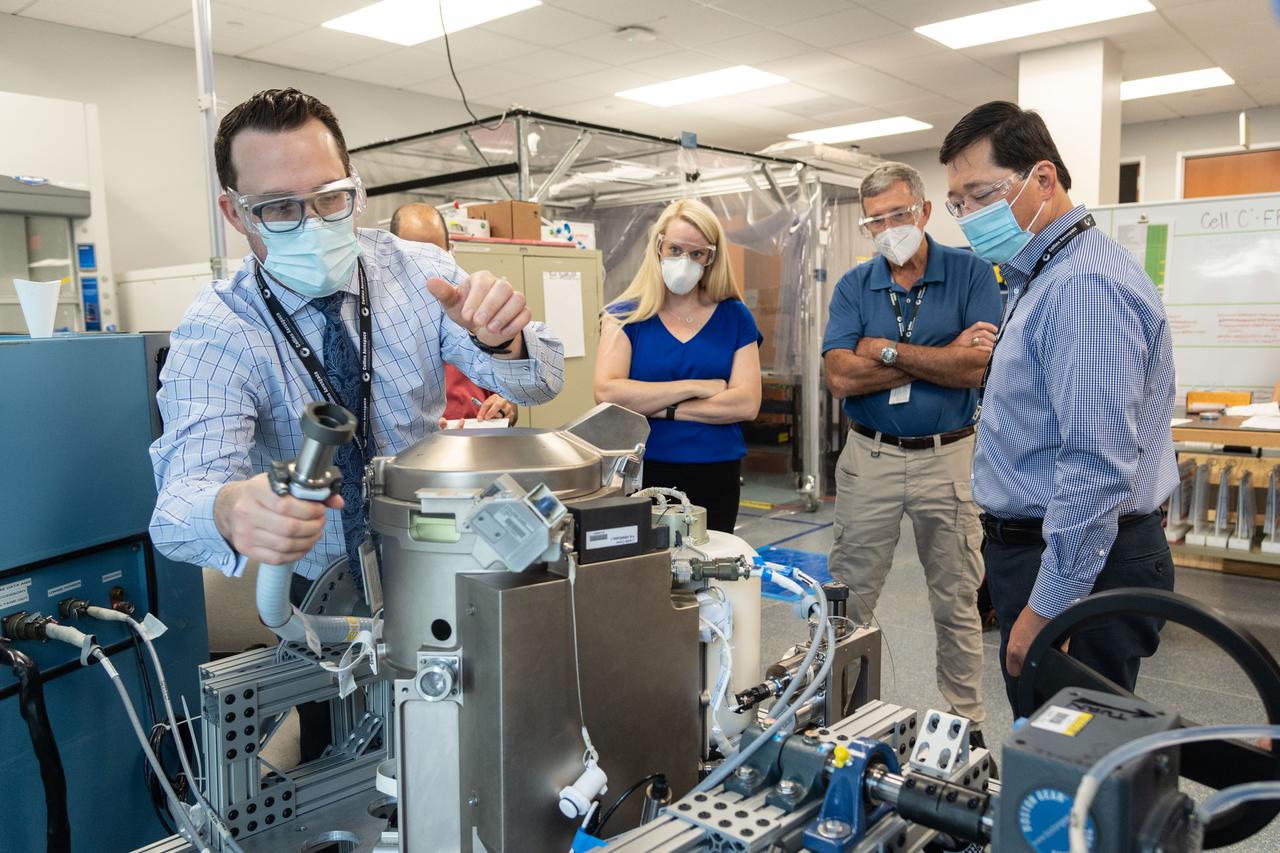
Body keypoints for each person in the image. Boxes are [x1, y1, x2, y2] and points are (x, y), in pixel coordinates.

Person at [149, 88, 564, 588]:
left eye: (330, 197)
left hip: (436, 549)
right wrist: (229, 508)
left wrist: (504, 343)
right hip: (317, 579)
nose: (313, 226)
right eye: (279, 208)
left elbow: (542, 384)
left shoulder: (420, 272)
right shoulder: (220, 328)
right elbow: (176, 511)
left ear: (355, 188)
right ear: (235, 213)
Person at [939, 101, 1178, 713]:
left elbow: (1097, 467)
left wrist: (1049, 607)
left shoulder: (1084, 285)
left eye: (981, 195)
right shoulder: (1042, 274)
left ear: (1043, 179)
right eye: (957, 204)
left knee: (1072, 750)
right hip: (1050, 553)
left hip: (1079, 568)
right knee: (1059, 741)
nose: (969, 218)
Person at [822, 162, 1002, 746]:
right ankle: (836, 715)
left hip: (948, 457)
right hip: (870, 456)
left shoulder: (972, 273)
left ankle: (967, 724)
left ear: (924, 212)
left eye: (897, 214)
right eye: (874, 220)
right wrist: (938, 355)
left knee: (957, 599)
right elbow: (839, 377)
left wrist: (885, 350)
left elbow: (976, 367)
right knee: (849, 598)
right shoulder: (855, 285)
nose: (887, 228)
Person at [594, 199, 761, 532]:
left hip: (716, 471)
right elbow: (608, 393)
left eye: (697, 253)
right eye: (675, 249)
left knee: (711, 557)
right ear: (658, 247)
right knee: (649, 562)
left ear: (712, 258)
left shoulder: (735, 316)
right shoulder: (625, 315)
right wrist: (697, 386)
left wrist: (660, 407)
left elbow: (746, 403)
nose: (685, 261)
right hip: (643, 468)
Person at [388, 202, 517, 427]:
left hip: (479, 442)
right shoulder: (382, 326)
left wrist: (505, 407)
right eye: (414, 255)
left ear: (450, 250)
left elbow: (510, 394)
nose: (426, 267)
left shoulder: (474, 309)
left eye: (436, 254)